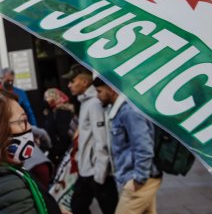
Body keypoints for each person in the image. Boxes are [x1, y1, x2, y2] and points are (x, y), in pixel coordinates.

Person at [93, 77, 161, 214]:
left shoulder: (129, 111)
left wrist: (139, 179)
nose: (97, 96)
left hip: (140, 180)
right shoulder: (119, 110)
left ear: (111, 89)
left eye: (99, 91)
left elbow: (144, 146)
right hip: (138, 179)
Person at [63, 65, 117, 214]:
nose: (69, 85)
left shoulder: (94, 103)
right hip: (86, 169)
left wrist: (100, 173)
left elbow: (102, 139)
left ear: (84, 82)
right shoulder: (86, 102)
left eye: (72, 81)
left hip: (97, 171)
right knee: (78, 207)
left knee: (109, 209)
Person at [42, 88, 74, 167]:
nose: (45, 100)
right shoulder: (53, 112)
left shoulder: (62, 112)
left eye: (47, 97)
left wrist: (57, 151)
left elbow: (64, 134)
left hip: (61, 152)